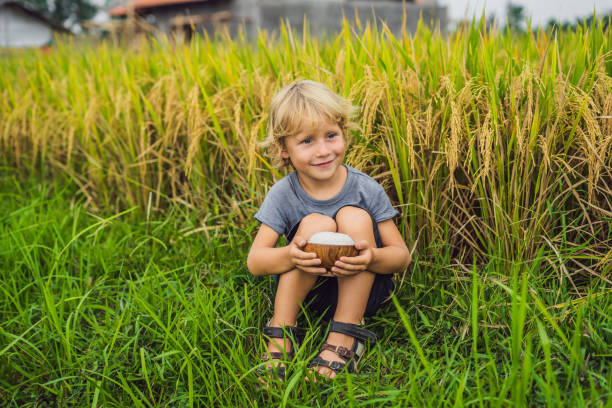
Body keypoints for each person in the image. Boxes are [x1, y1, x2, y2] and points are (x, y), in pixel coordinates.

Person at [247, 80, 411, 381]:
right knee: (315, 225)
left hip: (362, 290)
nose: (323, 150)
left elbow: (401, 257)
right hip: (307, 292)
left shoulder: (366, 189)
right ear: (284, 149)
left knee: (354, 216)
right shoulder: (283, 194)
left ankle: (344, 336)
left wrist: (370, 257)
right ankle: (281, 332)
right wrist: (292, 255)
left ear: (344, 134)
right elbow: (256, 261)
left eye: (331, 136)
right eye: (307, 141)